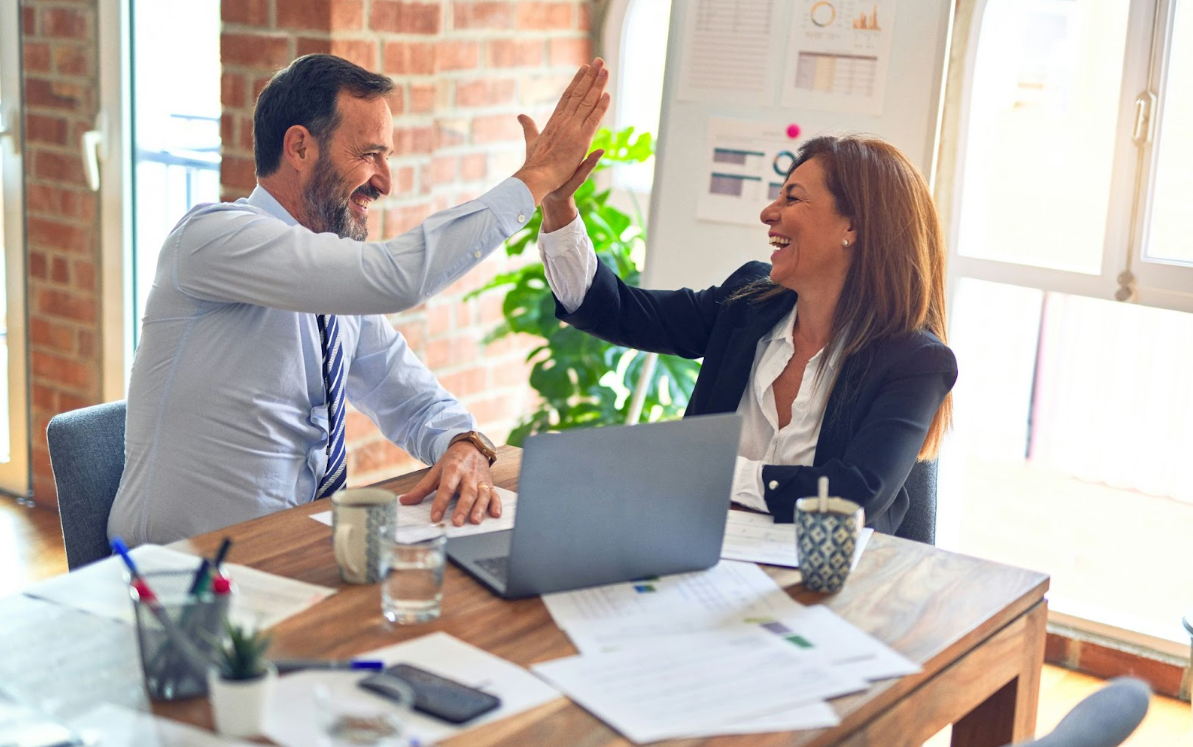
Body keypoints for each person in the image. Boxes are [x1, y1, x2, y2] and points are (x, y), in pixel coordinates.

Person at [108, 54, 610, 545]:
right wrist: (537, 177)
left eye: (386, 157)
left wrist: (464, 443)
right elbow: (398, 278)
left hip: (294, 554)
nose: (385, 181)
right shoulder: (212, 239)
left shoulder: (333, 285)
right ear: (300, 148)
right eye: (370, 154)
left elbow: (409, 396)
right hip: (179, 577)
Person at [537, 135, 957, 534]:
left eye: (792, 198)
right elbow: (618, 311)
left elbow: (852, 496)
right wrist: (558, 206)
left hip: (831, 586)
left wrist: (710, 471)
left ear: (853, 227)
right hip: (701, 554)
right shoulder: (747, 303)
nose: (768, 213)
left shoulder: (915, 361)